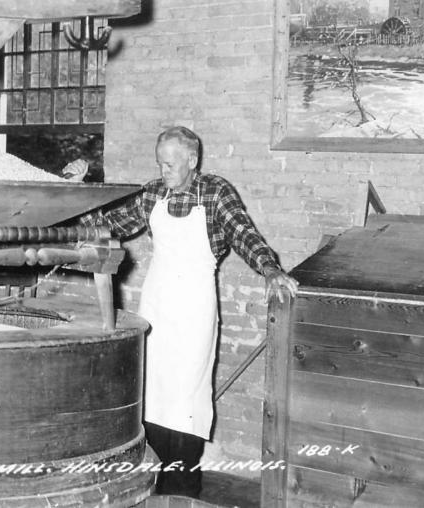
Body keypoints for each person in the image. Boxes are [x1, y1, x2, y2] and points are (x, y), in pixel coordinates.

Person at [64, 126, 298, 498]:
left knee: (187, 398)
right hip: (157, 302)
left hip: (194, 307)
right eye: (160, 163)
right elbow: (108, 226)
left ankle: (183, 492)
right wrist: (78, 192)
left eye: (170, 164)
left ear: (193, 160)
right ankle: (154, 490)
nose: (164, 171)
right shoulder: (153, 192)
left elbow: (244, 234)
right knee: (153, 392)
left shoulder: (216, 191)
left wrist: (269, 269)